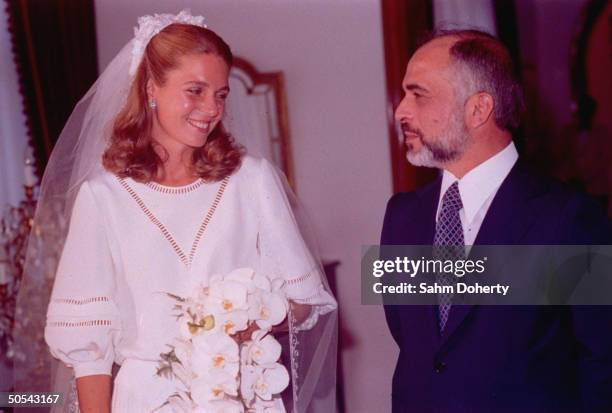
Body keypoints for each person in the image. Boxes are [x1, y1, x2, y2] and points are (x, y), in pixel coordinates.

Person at [16, 10, 337, 413]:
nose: (211, 108)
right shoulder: (104, 197)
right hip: (145, 401)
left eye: (220, 94)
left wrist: (251, 318)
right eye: (195, 90)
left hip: (238, 397)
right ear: (151, 88)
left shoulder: (252, 181)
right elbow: (88, 350)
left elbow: (304, 299)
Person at [381, 29, 612, 413]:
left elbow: (603, 365)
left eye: (418, 94)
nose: (401, 110)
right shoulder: (400, 216)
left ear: (478, 109)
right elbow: (416, 346)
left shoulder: (570, 218)